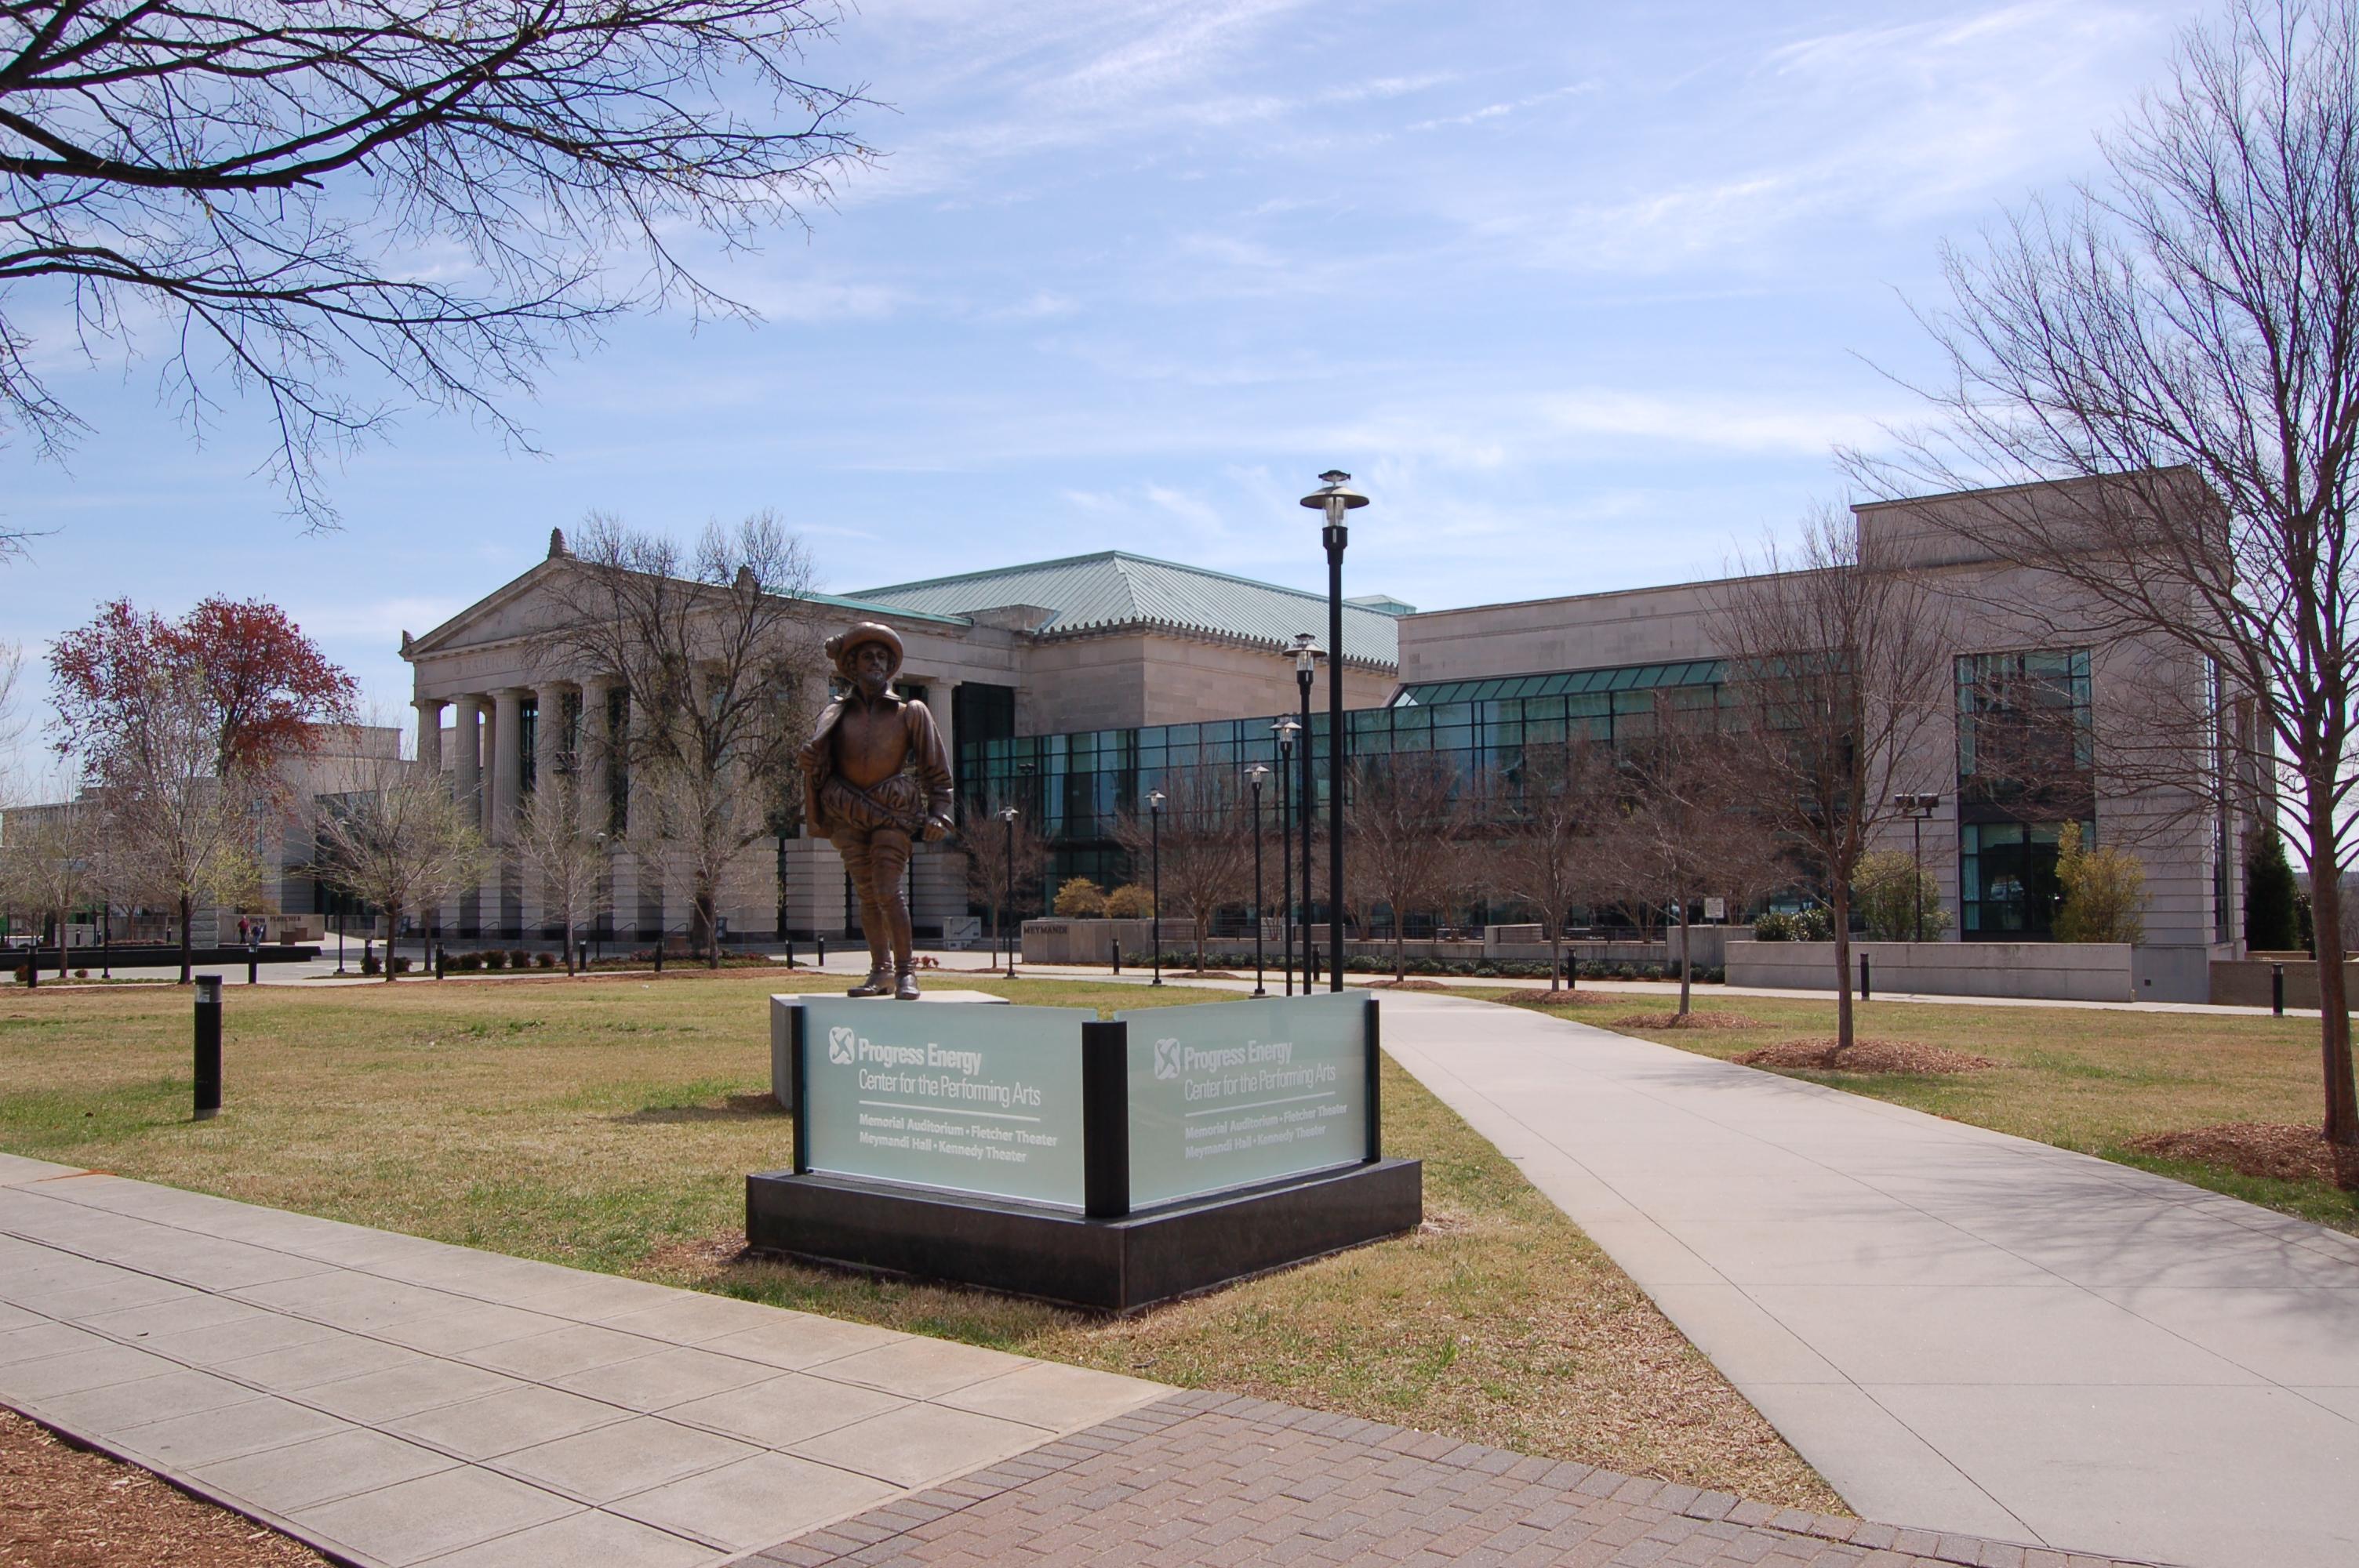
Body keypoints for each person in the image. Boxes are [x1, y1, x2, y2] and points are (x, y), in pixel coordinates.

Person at [798, 622, 954, 999]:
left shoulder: (910, 712)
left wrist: (940, 812)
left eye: (882, 657)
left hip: (891, 811)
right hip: (847, 810)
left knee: (888, 889)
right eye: (867, 656)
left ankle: (905, 972)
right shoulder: (834, 715)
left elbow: (937, 771)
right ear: (852, 665)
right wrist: (810, 762)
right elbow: (823, 764)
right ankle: (880, 971)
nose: (875, 663)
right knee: (867, 894)